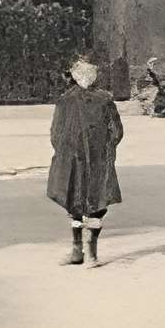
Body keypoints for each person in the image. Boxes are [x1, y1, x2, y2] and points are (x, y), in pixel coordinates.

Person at [47, 54, 124, 267]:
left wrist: (104, 152)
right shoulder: (67, 101)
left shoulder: (102, 100)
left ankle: (89, 252)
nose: (86, 77)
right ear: (74, 74)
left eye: (89, 72)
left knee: (91, 203)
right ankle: (79, 251)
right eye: (82, 73)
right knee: (77, 202)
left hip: (91, 161)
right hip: (78, 161)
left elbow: (115, 131)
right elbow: (56, 132)